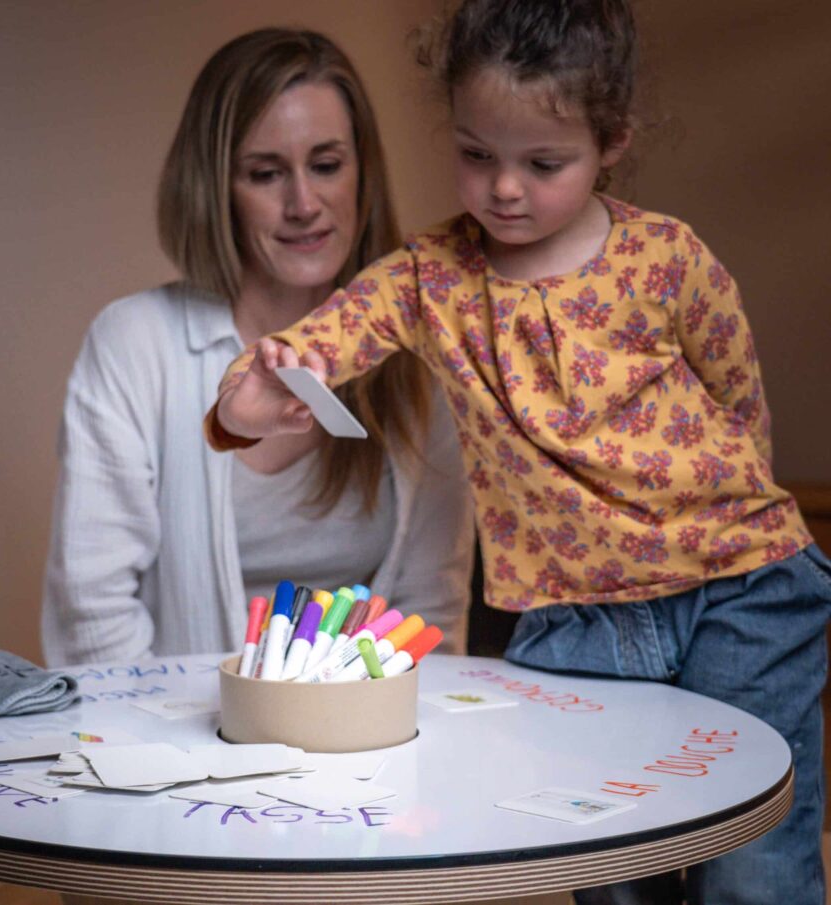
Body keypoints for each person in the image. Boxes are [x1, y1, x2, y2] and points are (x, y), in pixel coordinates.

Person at [206, 3, 831, 902]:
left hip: (740, 589)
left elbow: (740, 404)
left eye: (543, 164)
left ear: (610, 140)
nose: (504, 189)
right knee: (614, 865)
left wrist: (728, 531)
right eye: (475, 154)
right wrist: (248, 401)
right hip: (574, 626)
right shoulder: (430, 277)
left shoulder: (668, 259)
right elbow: (320, 342)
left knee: (752, 864)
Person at [41, 28, 474, 668]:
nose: (303, 203)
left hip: (364, 744)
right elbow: (93, 603)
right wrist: (167, 746)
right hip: (174, 748)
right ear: (217, 188)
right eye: (266, 174)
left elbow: (430, 610)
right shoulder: (135, 343)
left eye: (326, 166)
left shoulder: (416, 356)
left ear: (364, 174)